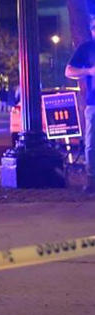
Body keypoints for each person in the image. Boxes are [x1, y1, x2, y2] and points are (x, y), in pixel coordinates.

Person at [65, 16, 95, 193]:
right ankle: (92, 179)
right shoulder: (86, 49)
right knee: (92, 143)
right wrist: (89, 71)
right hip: (94, 103)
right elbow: (69, 71)